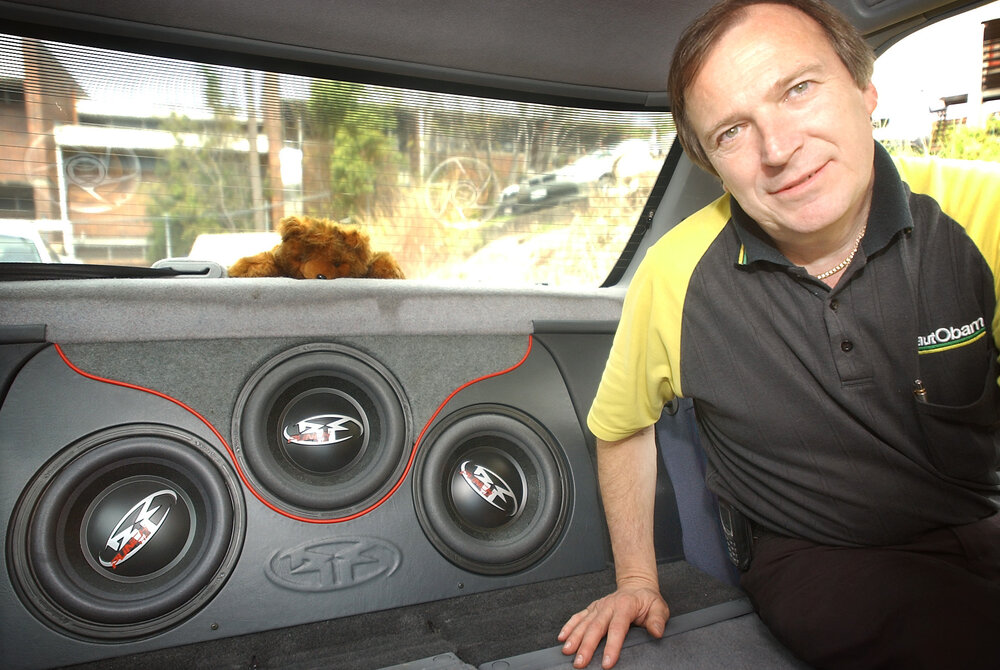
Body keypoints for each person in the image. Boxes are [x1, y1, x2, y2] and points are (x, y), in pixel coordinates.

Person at [557, 0, 1000, 668]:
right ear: (711, 163)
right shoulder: (678, 273)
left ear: (865, 88)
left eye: (798, 90)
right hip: (819, 553)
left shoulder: (981, 213)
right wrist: (638, 583)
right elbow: (622, 425)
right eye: (733, 131)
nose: (778, 148)